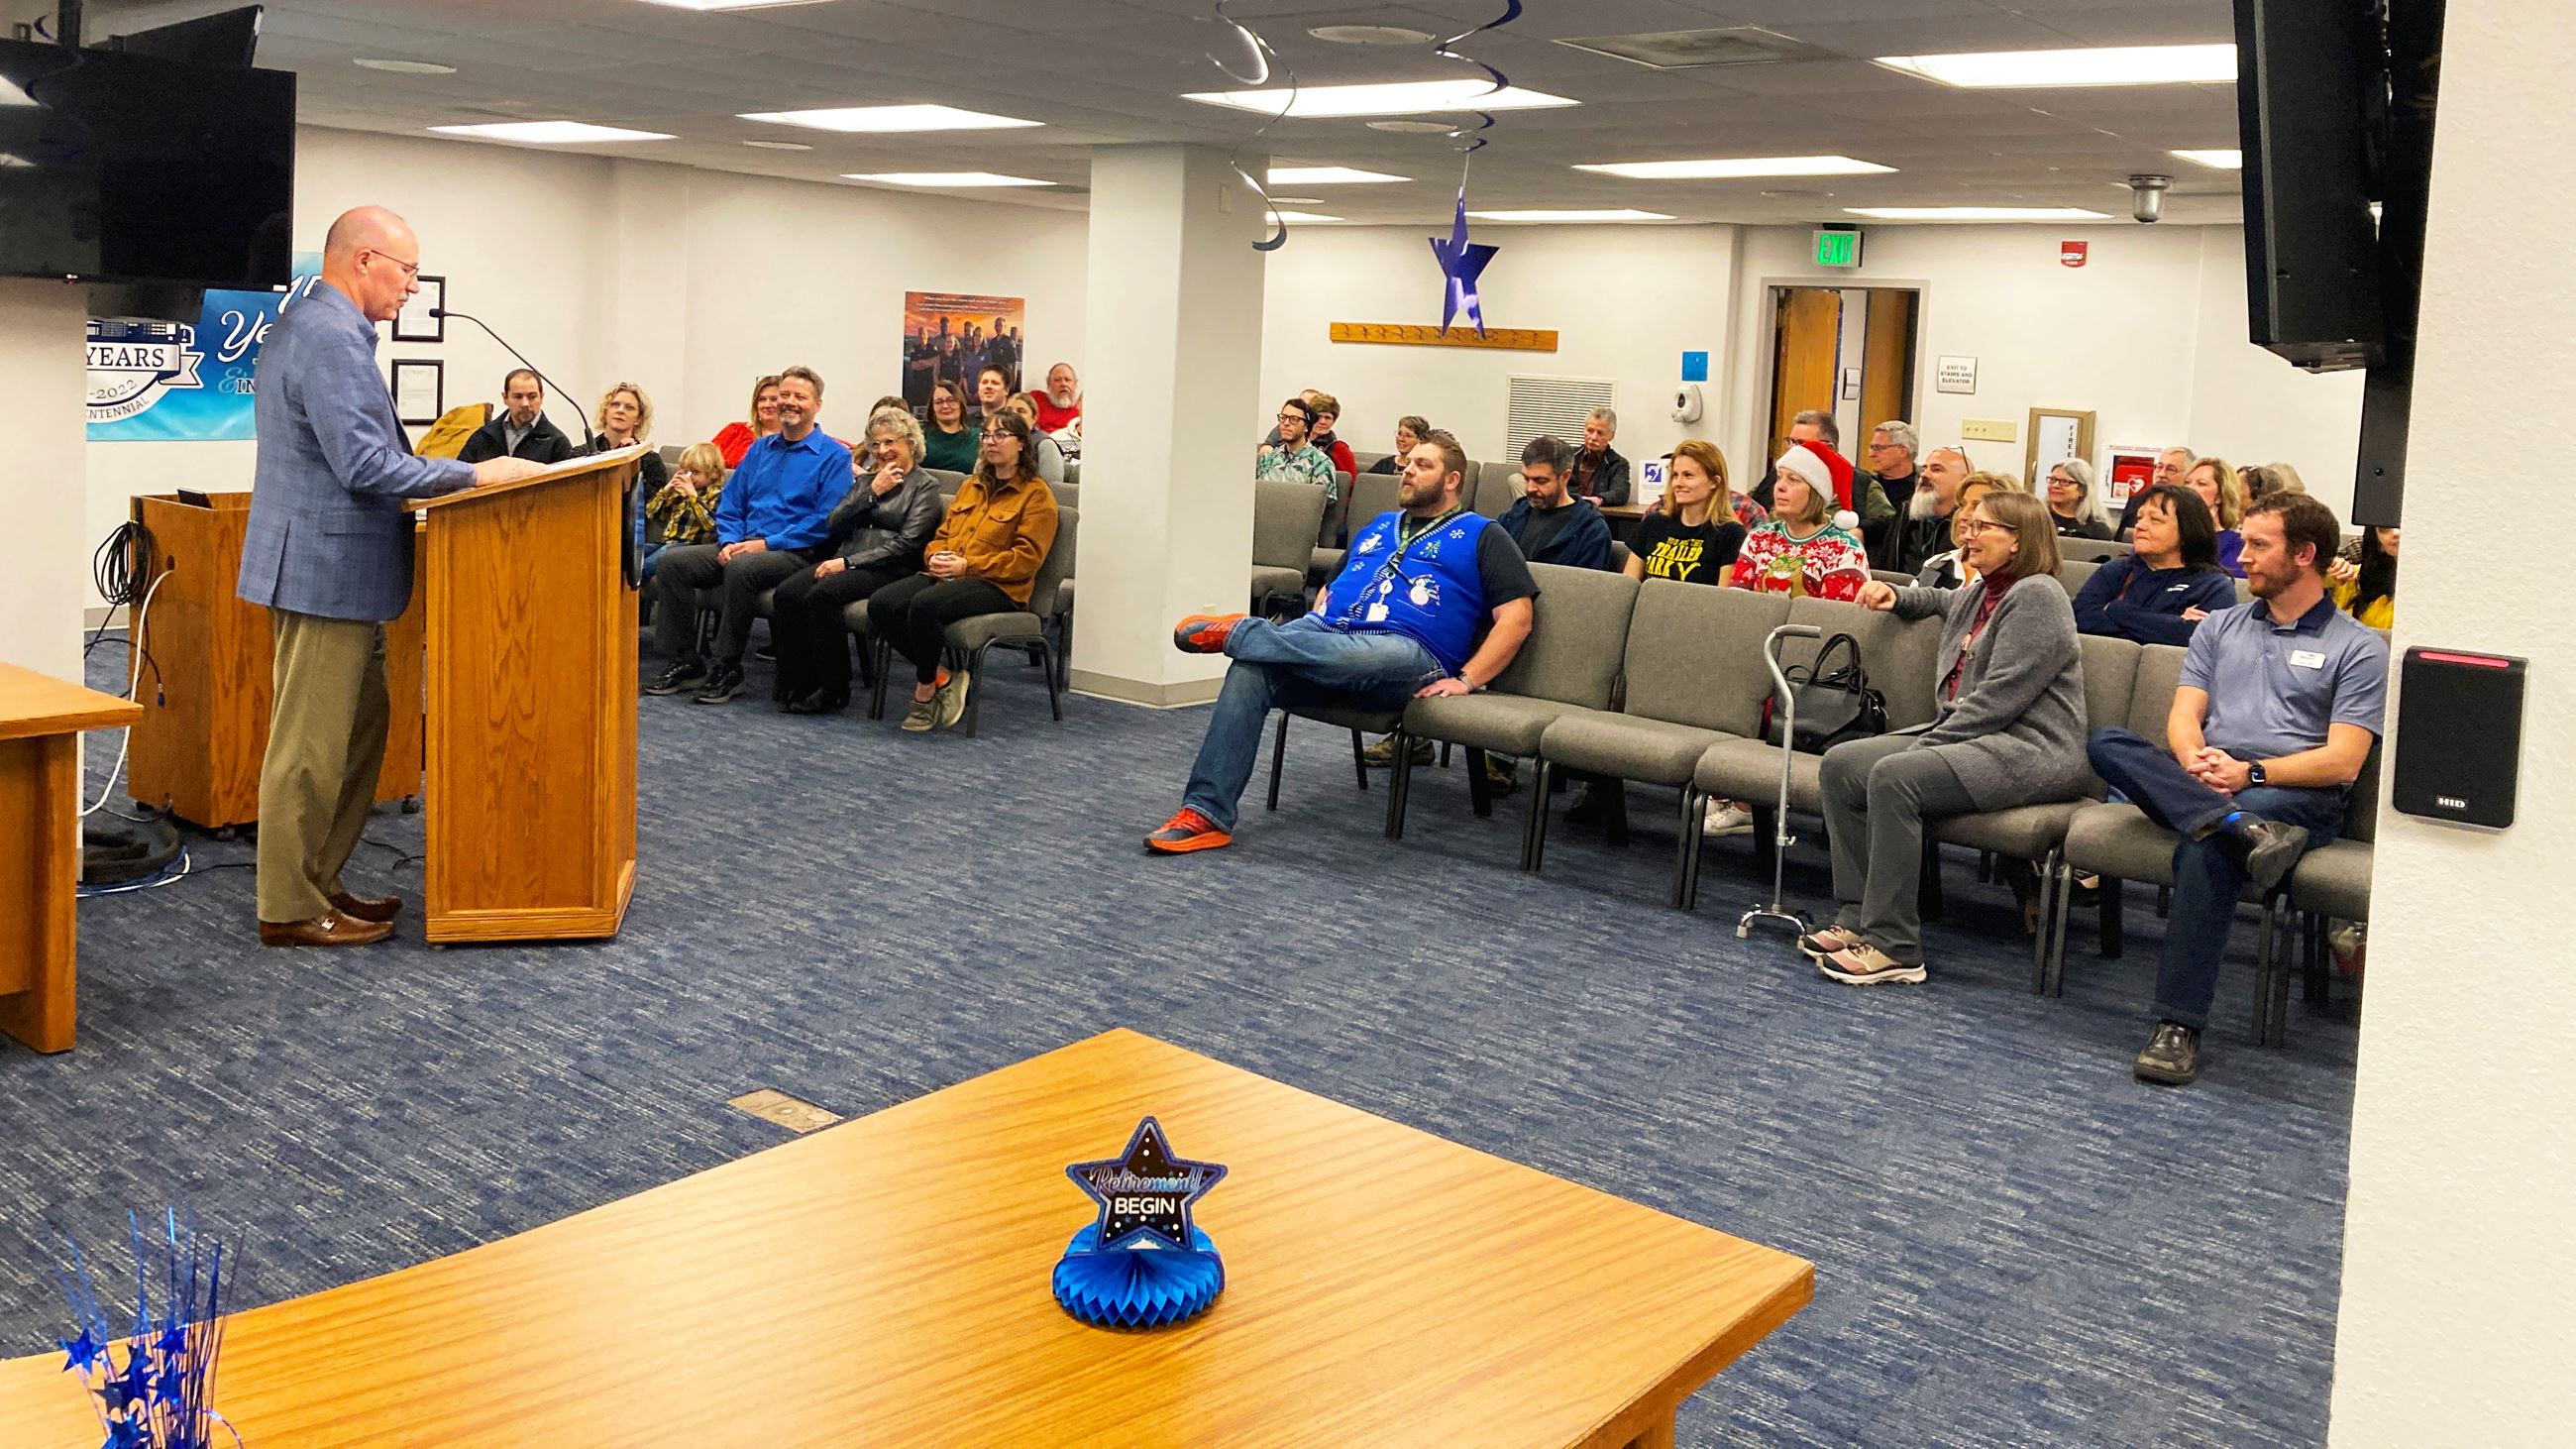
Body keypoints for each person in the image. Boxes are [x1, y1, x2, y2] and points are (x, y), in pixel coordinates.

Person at [237, 205, 546, 947]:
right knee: (310, 750)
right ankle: (289, 905)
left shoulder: (322, 328)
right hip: (325, 571)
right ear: (364, 260)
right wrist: (475, 474)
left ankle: (319, 879)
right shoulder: (329, 337)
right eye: (407, 270)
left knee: (358, 732)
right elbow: (363, 465)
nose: (413, 285)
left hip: (335, 569)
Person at [2087, 493, 2388, 1086]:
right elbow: (2184, 715)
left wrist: (2248, 774)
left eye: (2257, 545)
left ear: (2304, 554)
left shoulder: (2357, 647)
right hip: (2212, 777)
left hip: (2291, 794)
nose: (2241, 556)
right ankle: (2234, 824)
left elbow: (2343, 760)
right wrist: (2194, 761)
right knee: (2107, 743)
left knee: (2207, 848)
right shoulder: (2221, 626)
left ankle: (2178, 1025)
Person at [1144, 430, 1538, 854]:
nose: (1407, 470)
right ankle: (1206, 816)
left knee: (1353, 655)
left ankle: (1243, 633)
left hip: (1405, 653)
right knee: (1250, 670)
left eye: (1423, 465)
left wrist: (1467, 679)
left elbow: (1517, 619)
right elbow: (1330, 590)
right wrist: (1315, 625)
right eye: (1408, 463)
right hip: (1327, 637)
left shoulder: (1484, 534)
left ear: (1452, 480)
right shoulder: (1380, 525)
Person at [1805, 491, 2088, 985]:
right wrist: (1898, 596)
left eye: (1982, 527)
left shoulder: (2038, 596)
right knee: (1842, 765)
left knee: (1896, 775)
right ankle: (1858, 914)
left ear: (2018, 541)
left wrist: (1929, 746)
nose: (1968, 535)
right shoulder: (1984, 592)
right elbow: (1944, 601)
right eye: (1968, 524)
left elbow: (1999, 700)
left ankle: (1895, 946)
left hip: (2030, 748)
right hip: (1976, 737)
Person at [645, 366, 849, 705]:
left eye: (800, 396)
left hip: (795, 552)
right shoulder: (759, 450)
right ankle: (686, 660)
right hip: (742, 543)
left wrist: (764, 544)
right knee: (673, 563)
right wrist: (729, 541)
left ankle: (727, 666)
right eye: (785, 395)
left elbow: (824, 521)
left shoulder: (835, 456)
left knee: (742, 568)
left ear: (817, 405)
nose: (790, 402)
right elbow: (731, 503)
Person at [867, 408, 1061, 732]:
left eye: (1001, 435)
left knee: (924, 606)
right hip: (951, 575)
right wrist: (935, 556)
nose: (990, 442)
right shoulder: (973, 485)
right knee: (882, 604)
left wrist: (968, 565)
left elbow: (1025, 560)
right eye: (986, 435)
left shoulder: (1037, 496)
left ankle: (925, 693)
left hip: (1000, 587)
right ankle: (945, 677)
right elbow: (942, 534)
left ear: (1021, 444)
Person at [770, 407, 944, 715]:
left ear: (910, 443)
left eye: (890, 442)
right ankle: (798, 680)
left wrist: (849, 563)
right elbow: (834, 522)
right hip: (846, 558)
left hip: (891, 567)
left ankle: (834, 688)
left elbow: (908, 544)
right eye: (875, 444)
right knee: (787, 593)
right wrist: (872, 491)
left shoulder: (925, 486)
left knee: (822, 596)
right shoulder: (867, 482)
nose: (882, 450)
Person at [2070, 484, 2237, 645]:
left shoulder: (2214, 586)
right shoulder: (2116, 571)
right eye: (2139, 518)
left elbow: (2196, 637)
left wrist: (2115, 610)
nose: (2140, 526)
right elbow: (2081, 619)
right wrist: (2172, 622)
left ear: (2188, 530)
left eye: (2155, 520)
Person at [1727, 446, 1869, 601]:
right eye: (1779, 477)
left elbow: (1834, 614)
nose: (1779, 487)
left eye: (1793, 480)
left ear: (1816, 493)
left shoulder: (1844, 549)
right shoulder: (1759, 538)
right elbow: (1736, 604)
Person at [1625, 439, 1746, 586]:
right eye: (1675, 475)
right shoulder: (1653, 523)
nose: (1678, 483)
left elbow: (1724, 596)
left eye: (1688, 475)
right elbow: (1628, 586)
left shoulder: (1732, 534)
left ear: (1714, 482)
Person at [584, 382, 670, 578]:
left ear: (638, 419)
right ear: (605, 411)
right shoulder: (581, 454)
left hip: (627, 537)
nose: (620, 410)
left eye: (629, 407)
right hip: (584, 531)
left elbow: (653, 508)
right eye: (615, 405)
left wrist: (631, 464)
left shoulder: (650, 460)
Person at [1497, 435, 1613, 571]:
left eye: (1540, 481)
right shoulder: (1512, 517)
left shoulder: (1591, 530)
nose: (1530, 488)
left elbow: (1588, 583)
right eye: (1526, 479)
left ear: (1565, 477)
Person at [642, 443, 724, 591]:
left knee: (644, 567)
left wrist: (693, 497)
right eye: (685, 471)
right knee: (631, 556)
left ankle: (627, 598)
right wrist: (666, 491)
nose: (689, 477)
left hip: (691, 547)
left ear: (714, 473)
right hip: (668, 543)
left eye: (695, 472)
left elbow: (711, 525)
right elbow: (651, 513)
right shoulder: (679, 493)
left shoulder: (717, 495)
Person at [1911, 472, 2012, 590]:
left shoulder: (2015, 577)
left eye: (1977, 507)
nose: (1962, 515)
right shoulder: (1936, 565)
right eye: (1962, 505)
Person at [1880, 445, 1971, 575]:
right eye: (1924, 469)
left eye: (1936, 470)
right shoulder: (1907, 513)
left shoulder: (1968, 526)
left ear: (1963, 481)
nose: (1924, 475)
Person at [456, 368, 575, 465]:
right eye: (518, 397)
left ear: (541, 397)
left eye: (532, 397)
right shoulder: (483, 437)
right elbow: (460, 478)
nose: (525, 404)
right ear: (505, 398)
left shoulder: (557, 443)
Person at [1256, 396, 1339, 503]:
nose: (1286, 423)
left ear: (1306, 427)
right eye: (1283, 417)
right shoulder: (1268, 458)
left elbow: (1319, 505)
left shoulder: (1321, 463)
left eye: (1294, 419)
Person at [1860, 419, 1921, 560]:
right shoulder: (1864, 486)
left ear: (1902, 451)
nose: (1871, 454)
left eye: (1878, 448)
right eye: (1871, 447)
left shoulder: (1925, 489)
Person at [2182, 455, 2248, 577]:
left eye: (2201, 484)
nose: (2190, 488)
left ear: (2220, 496)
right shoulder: (2173, 538)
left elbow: (2229, 581)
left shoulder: (2236, 544)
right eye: (2187, 482)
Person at [2115, 445, 2198, 535]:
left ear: (2189, 476)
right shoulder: (2136, 502)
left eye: (2171, 469)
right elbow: (2121, 540)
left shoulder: (2194, 509)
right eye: (2159, 467)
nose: (2161, 474)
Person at [2329, 525, 2399, 627]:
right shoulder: (2351, 577)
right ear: (2378, 541)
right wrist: (2327, 566)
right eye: (2384, 528)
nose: (2396, 533)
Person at [712, 376, 783, 468]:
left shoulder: (794, 441)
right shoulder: (735, 431)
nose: (767, 405)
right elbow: (702, 462)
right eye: (762, 399)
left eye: (774, 399)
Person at [1567, 406, 1631, 506]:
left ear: (1611, 436)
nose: (1593, 437)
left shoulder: (1618, 463)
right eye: (1590, 430)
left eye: (1600, 433)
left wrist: (1599, 499)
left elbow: (1620, 493)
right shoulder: (1568, 456)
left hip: (1598, 513)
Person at [1002, 392, 1070, 484]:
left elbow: (1052, 487)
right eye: (1009, 410)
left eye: (1021, 411)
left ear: (1034, 418)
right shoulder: (994, 441)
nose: (1013, 415)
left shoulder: (1045, 444)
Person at [2045, 458, 2113, 539]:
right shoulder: (2036, 517)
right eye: (2052, 479)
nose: (2055, 485)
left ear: (2082, 490)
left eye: (2064, 482)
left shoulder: (2097, 529)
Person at [920, 380, 979, 473]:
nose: (945, 406)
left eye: (951, 400)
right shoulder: (920, 434)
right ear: (932, 407)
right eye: (939, 402)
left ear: (961, 404)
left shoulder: (978, 437)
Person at [1307, 391, 1357, 476]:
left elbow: (1350, 481)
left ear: (1333, 421)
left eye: (1327, 418)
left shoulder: (1339, 448)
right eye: (1318, 416)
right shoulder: (1299, 442)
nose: (1322, 422)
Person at [1033, 362, 1083, 433]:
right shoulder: (1036, 399)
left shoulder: (1081, 410)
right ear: (1048, 383)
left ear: (1075, 383)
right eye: (1057, 380)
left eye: (1068, 380)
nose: (1063, 384)